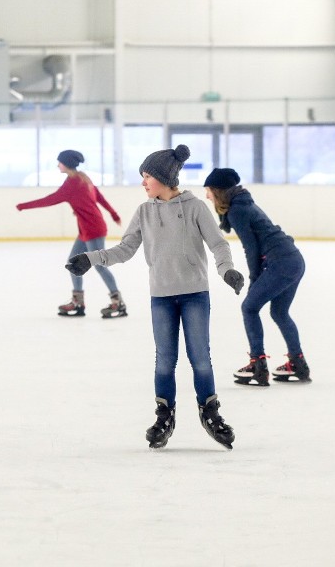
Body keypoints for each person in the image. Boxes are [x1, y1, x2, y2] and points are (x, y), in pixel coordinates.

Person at [66, 145, 245, 450]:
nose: (143, 182)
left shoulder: (194, 208)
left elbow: (219, 244)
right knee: (165, 361)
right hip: (161, 296)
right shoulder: (144, 212)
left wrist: (226, 270)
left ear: (165, 178)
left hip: (194, 295)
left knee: (200, 359)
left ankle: (210, 413)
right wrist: (90, 258)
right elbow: (124, 250)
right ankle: (164, 417)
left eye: (147, 176)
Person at [204, 168, 310, 385]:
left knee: (249, 308)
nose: (207, 196)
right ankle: (298, 364)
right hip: (293, 260)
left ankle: (257, 365)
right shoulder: (245, 203)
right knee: (279, 312)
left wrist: (253, 280)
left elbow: (251, 249)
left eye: (209, 191)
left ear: (218, 191)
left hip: (281, 262)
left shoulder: (237, 211)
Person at [16, 150, 127, 318]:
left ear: (66, 164)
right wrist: (113, 214)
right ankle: (78, 302)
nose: (57, 165)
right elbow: (100, 198)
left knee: (99, 266)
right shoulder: (82, 178)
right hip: (86, 229)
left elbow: (50, 200)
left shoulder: (73, 183)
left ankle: (118, 303)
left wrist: (23, 205)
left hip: (93, 229)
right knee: (73, 263)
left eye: (59, 162)